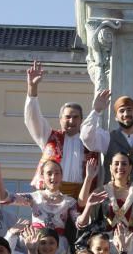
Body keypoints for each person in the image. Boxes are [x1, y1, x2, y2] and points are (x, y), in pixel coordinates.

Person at [24, 60, 100, 198]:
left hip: (81, 195)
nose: (71, 121)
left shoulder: (90, 141)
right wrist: (32, 89)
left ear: (81, 120)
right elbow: (33, 119)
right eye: (67, 117)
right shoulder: (49, 136)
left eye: (76, 117)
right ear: (60, 120)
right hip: (51, 195)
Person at [77, 152, 133, 254]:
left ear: (130, 168)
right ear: (110, 167)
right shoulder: (102, 190)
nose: (120, 167)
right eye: (116, 164)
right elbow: (82, 203)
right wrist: (89, 178)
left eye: (124, 164)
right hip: (107, 243)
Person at [1, 156, 87, 251]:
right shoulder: (34, 197)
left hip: (57, 245)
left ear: (62, 176)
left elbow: (79, 222)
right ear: (42, 176)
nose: (53, 177)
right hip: (36, 241)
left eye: (57, 173)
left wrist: (88, 179)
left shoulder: (69, 201)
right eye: (49, 173)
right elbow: (5, 198)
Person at [82, 90, 133, 191]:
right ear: (116, 117)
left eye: (129, 110)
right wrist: (96, 111)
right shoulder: (107, 138)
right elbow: (86, 137)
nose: (126, 114)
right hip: (112, 198)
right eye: (122, 111)